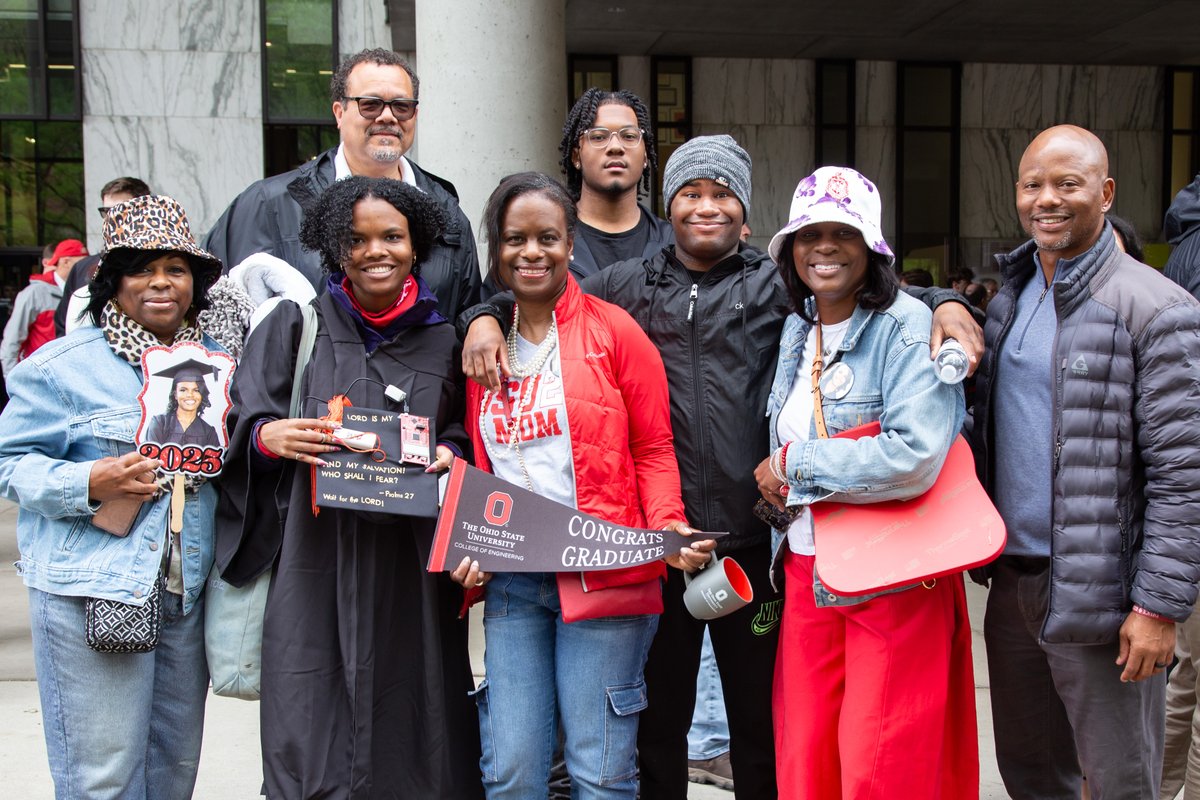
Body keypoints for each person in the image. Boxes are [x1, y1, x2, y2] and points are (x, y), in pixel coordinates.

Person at [461, 136, 985, 800]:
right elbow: (542, 295)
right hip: (664, 549)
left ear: (746, 211)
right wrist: (483, 316)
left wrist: (950, 301)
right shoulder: (627, 285)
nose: (705, 207)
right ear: (669, 205)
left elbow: (873, 291)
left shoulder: (781, 287)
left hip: (754, 549)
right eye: (689, 193)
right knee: (658, 728)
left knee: (764, 729)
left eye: (721, 194)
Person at [215, 175, 481, 800]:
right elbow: (242, 419)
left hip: (410, 571)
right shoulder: (294, 326)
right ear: (336, 250)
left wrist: (451, 451)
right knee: (308, 726)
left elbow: (463, 432)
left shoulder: (446, 341)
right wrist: (266, 437)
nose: (375, 251)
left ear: (416, 246)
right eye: (356, 239)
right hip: (315, 563)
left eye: (392, 236)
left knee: (416, 725)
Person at [449, 171, 706, 799]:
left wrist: (667, 520)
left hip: (605, 570)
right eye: (514, 239)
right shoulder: (482, 347)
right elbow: (479, 464)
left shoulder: (615, 332)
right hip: (513, 580)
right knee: (511, 769)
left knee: (600, 768)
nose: (531, 252)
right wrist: (467, 542)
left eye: (547, 238)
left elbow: (652, 445)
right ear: (496, 249)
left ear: (570, 244)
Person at [972, 125, 1200, 800]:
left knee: (1122, 780)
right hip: (1013, 585)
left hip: (1107, 597)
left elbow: (1184, 476)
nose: (1048, 199)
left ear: (1104, 193)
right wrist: (949, 305)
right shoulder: (1011, 299)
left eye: (1067, 184)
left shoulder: (1156, 308)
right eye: (1033, 184)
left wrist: (1158, 606)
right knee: (1033, 774)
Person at [753, 166, 975, 799]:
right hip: (806, 568)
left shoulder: (907, 326)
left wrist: (795, 464)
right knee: (807, 752)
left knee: (882, 760)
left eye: (842, 233)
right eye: (808, 234)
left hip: (893, 578)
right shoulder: (798, 329)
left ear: (871, 247)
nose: (823, 247)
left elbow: (915, 456)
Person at [0, 195, 224, 798]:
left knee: (171, 773)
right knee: (102, 779)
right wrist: (86, 483)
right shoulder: (62, 366)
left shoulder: (213, 366)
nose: (160, 283)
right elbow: (8, 463)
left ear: (195, 282)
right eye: (141, 269)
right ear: (111, 282)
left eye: (175, 269)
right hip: (92, 588)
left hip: (183, 592)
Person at [204, 48, 481, 322]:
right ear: (339, 113)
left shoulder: (446, 212)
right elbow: (210, 307)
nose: (387, 116)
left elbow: (467, 318)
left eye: (401, 106)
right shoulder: (268, 206)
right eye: (370, 104)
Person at [559, 88, 673, 277]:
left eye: (629, 136)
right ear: (576, 156)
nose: (615, 147)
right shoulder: (548, 241)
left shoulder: (675, 245)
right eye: (598, 137)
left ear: (645, 156)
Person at [56, 177, 152, 336]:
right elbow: (63, 330)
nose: (111, 219)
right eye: (106, 211)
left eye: (121, 210)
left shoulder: (165, 264)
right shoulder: (82, 269)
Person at [1, 238, 88, 375]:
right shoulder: (33, 294)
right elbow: (12, 341)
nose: (87, 267)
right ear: (65, 262)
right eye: (82, 262)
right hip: (41, 378)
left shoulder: (85, 292)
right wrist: (12, 384)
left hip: (73, 375)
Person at [144, 360, 222, 448]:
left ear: (202, 394)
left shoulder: (208, 432)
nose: (190, 395)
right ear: (175, 394)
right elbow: (150, 458)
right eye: (183, 390)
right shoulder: (160, 423)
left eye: (196, 390)